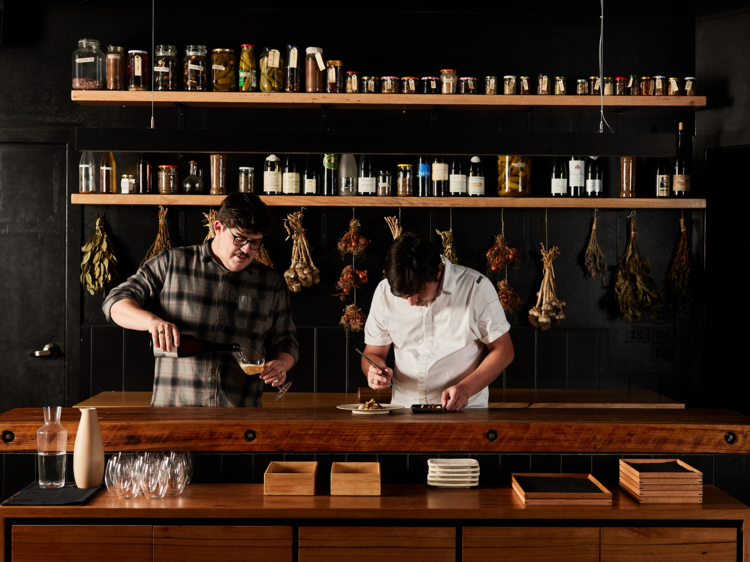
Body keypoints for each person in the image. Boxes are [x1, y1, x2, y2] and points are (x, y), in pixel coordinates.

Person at [102, 192, 298, 407]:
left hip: (241, 417)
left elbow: (285, 340)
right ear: (218, 228)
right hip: (173, 416)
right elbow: (115, 302)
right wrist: (152, 322)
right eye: (240, 239)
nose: (247, 250)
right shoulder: (171, 263)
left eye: (255, 243)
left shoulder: (271, 282)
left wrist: (281, 364)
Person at [362, 232, 514, 411]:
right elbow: (373, 353)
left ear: (439, 271)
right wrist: (374, 371)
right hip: (403, 411)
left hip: (463, 411)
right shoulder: (383, 292)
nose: (412, 302)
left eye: (419, 291)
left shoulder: (476, 288)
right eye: (404, 296)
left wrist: (466, 388)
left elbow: (504, 350)